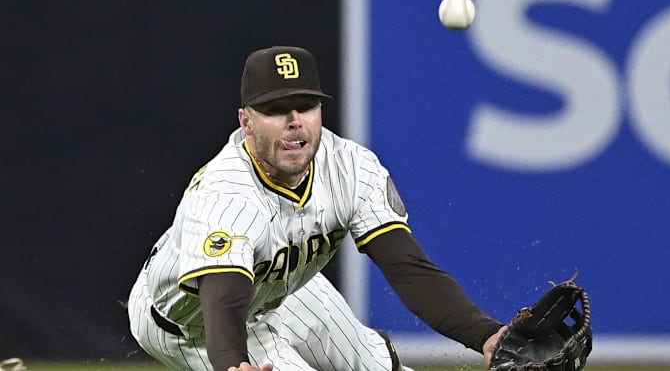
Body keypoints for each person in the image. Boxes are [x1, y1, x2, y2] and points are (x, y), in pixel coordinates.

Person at [128, 45, 507, 371]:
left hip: (280, 292)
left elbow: (409, 270)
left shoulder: (350, 167)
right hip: (188, 322)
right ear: (246, 122)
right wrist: (233, 364)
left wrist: (487, 335)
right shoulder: (225, 194)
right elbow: (224, 302)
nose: (295, 122)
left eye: (305, 106)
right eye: (276, 109)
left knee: (372, 361)